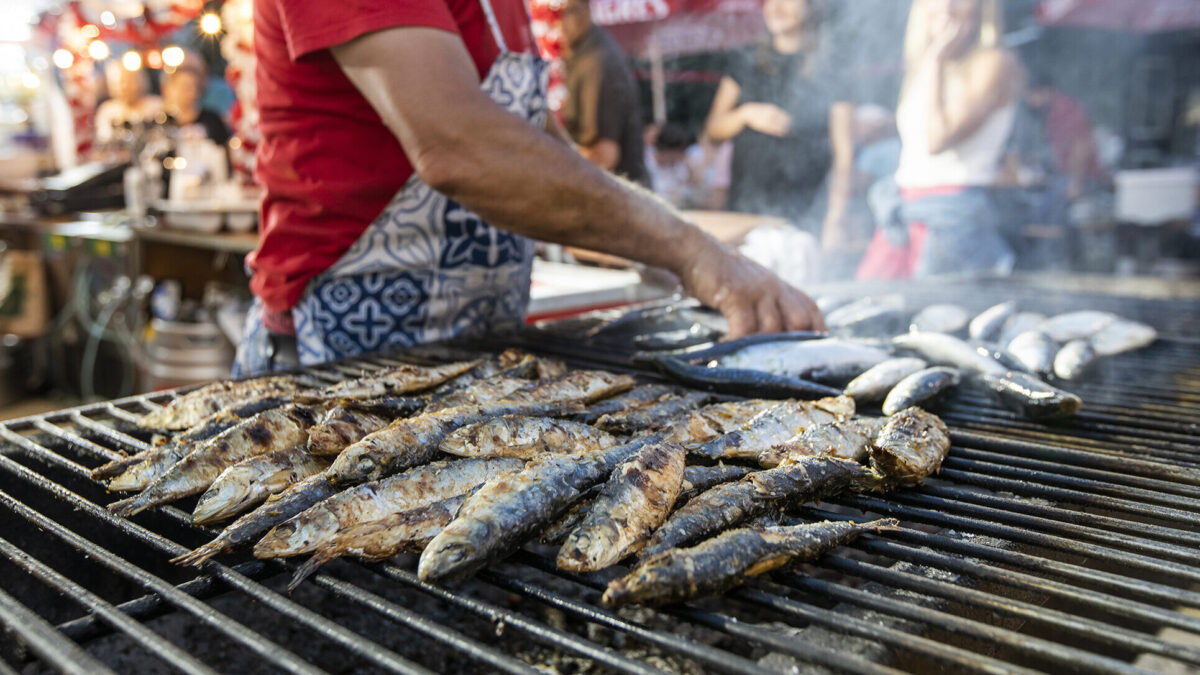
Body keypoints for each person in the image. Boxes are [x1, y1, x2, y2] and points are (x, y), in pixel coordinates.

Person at [237, 0, 823, 374]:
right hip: (333, 362)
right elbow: (460, 147)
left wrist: (691, 238)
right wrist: (692, 252)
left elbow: (554, 167)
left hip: (472, 357)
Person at [869, 0, 1019, 278]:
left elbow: (937, 139)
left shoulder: (993, 62)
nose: (946, 6)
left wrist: (935, 61)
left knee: (936, 316)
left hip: (954, 216)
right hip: (901, 211)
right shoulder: (923, 66)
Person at [703, 0, 854, 248]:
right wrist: (746, 114)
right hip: (746, 213)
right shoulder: (746, 60)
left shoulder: (831, 65)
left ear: (810, 7)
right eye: (770, 1)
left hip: (806, 214)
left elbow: (844, 154)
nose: (776, 8)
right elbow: (713, 130)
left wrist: (836, 218)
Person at [559, 0, 649, 185]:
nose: (558, 23)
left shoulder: (597, 63)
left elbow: (604, 155)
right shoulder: (582, 53)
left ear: (586, 10)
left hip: (616, 198)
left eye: (563, 13)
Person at [162, 62, 231, 145]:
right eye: (182, 86)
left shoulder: (212, 121)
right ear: (168, 89)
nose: (186, 92)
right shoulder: (161, 121)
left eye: (190, 87)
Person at [94, 62, 162, 146]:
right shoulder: (108, 110)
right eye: (122, 82)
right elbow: (103, 138)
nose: (127, 87)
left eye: (131, 81)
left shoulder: (156, 106)